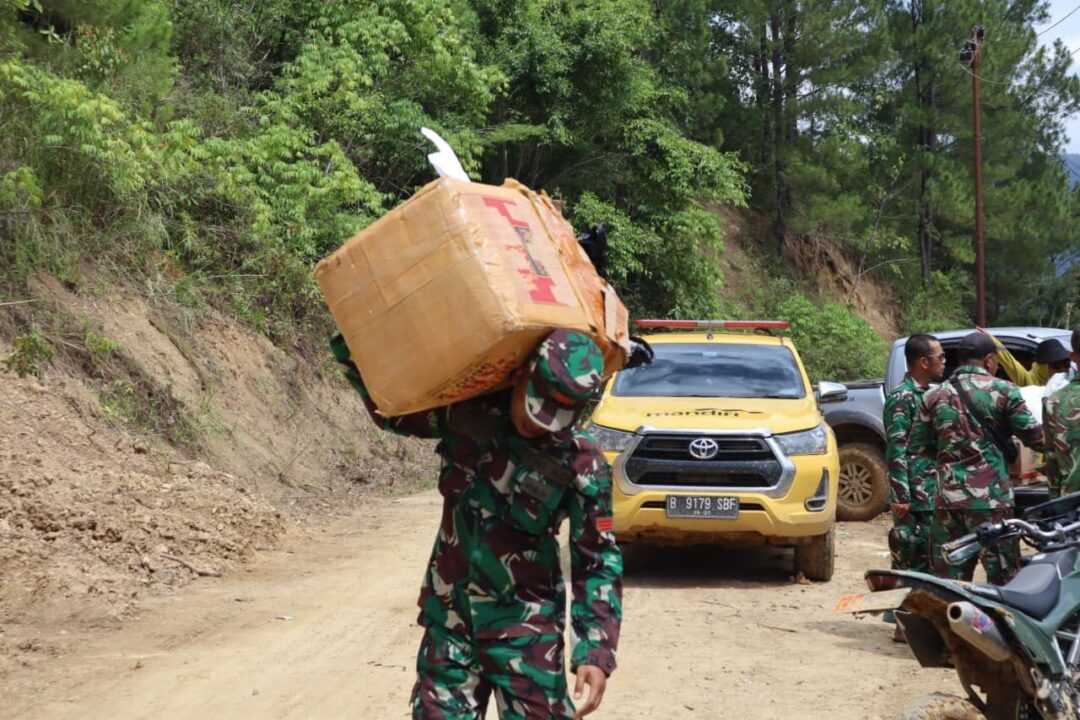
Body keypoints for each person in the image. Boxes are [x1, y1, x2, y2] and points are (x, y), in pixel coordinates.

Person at [332, 329, 622, 720]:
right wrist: (353, 341)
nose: (538, 424)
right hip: (451, 625)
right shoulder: (467, 413)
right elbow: (391, 408)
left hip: (528, 636)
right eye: (534, 407)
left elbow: (596, 558)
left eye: (555, 417)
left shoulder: (582, 463)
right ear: (521, 375)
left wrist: (596, 649)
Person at [909, 331, 1043, 585]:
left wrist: (950, 458)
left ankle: (950, 624)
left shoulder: (934, 396)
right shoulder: (1005, 391)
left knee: (948, 584)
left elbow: (918, 445)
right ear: (990, 360)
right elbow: (1034, 438)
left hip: (948, 502)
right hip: (992, 504)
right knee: (1005, 581)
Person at [885, 334, 945, 578]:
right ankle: (899, 613)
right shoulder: (902, 398)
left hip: (930, 491)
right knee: (909, 556)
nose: (944, 361)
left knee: (929, 558)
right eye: (940, 357)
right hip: (912, 497)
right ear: (923, 362)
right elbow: (896, 446)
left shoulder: (928, 395)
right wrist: (901, 494)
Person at [1044, 329, 1080, 499]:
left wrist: (1055, 505)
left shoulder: (1054, 401)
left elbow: (1051, 460)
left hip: (1071, 503)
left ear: (1072, 357)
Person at [978, 327, 1071, 386]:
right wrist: (992, 340)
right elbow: (1009, 362)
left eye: (1066, 363)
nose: (1062, 370)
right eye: (1056, 366)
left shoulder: (1071, 382)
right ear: (1042, 367)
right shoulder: (1029, 382)